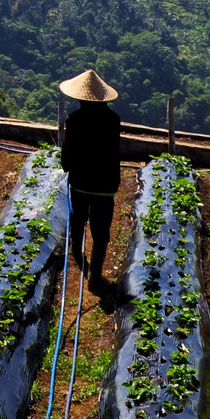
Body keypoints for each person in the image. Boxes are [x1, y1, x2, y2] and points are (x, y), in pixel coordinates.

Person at [58, 69, 121, 282]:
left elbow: (67, 152)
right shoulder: (113, 120)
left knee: (79, 217)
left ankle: (77, 254)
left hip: (81, 181)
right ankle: (95, 276)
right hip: (106, 183)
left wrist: (66, 166)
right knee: (101, 227)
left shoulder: (74, 120)